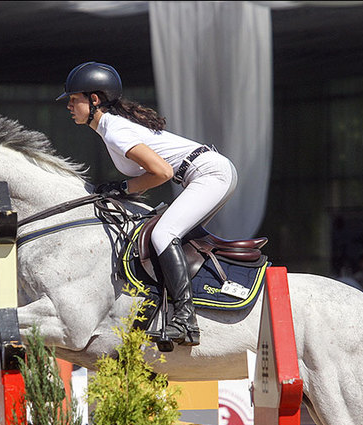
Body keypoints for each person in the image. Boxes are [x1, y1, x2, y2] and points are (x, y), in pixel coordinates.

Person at [56, 61, 238, 346]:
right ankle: (168, 307)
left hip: (209, 174)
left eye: (73, 99)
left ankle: (186, 320)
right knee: (159, 230)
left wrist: (121, 187)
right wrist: (121, 190)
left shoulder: (116, 131)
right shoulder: (109, 128)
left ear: (94, 100)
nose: (68, 105)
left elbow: (162, 172)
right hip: (200, 174)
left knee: (164, 234)